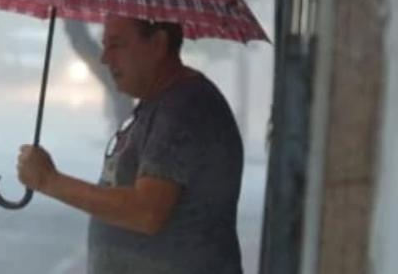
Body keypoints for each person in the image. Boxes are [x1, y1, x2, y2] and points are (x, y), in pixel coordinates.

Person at [16, 16, 244, 274]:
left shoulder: (184, 109)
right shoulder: (158, 103)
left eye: (116, 45)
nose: (105, 58)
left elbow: (146, 212)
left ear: (158, 44)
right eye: (104, 45)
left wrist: (49, 181)